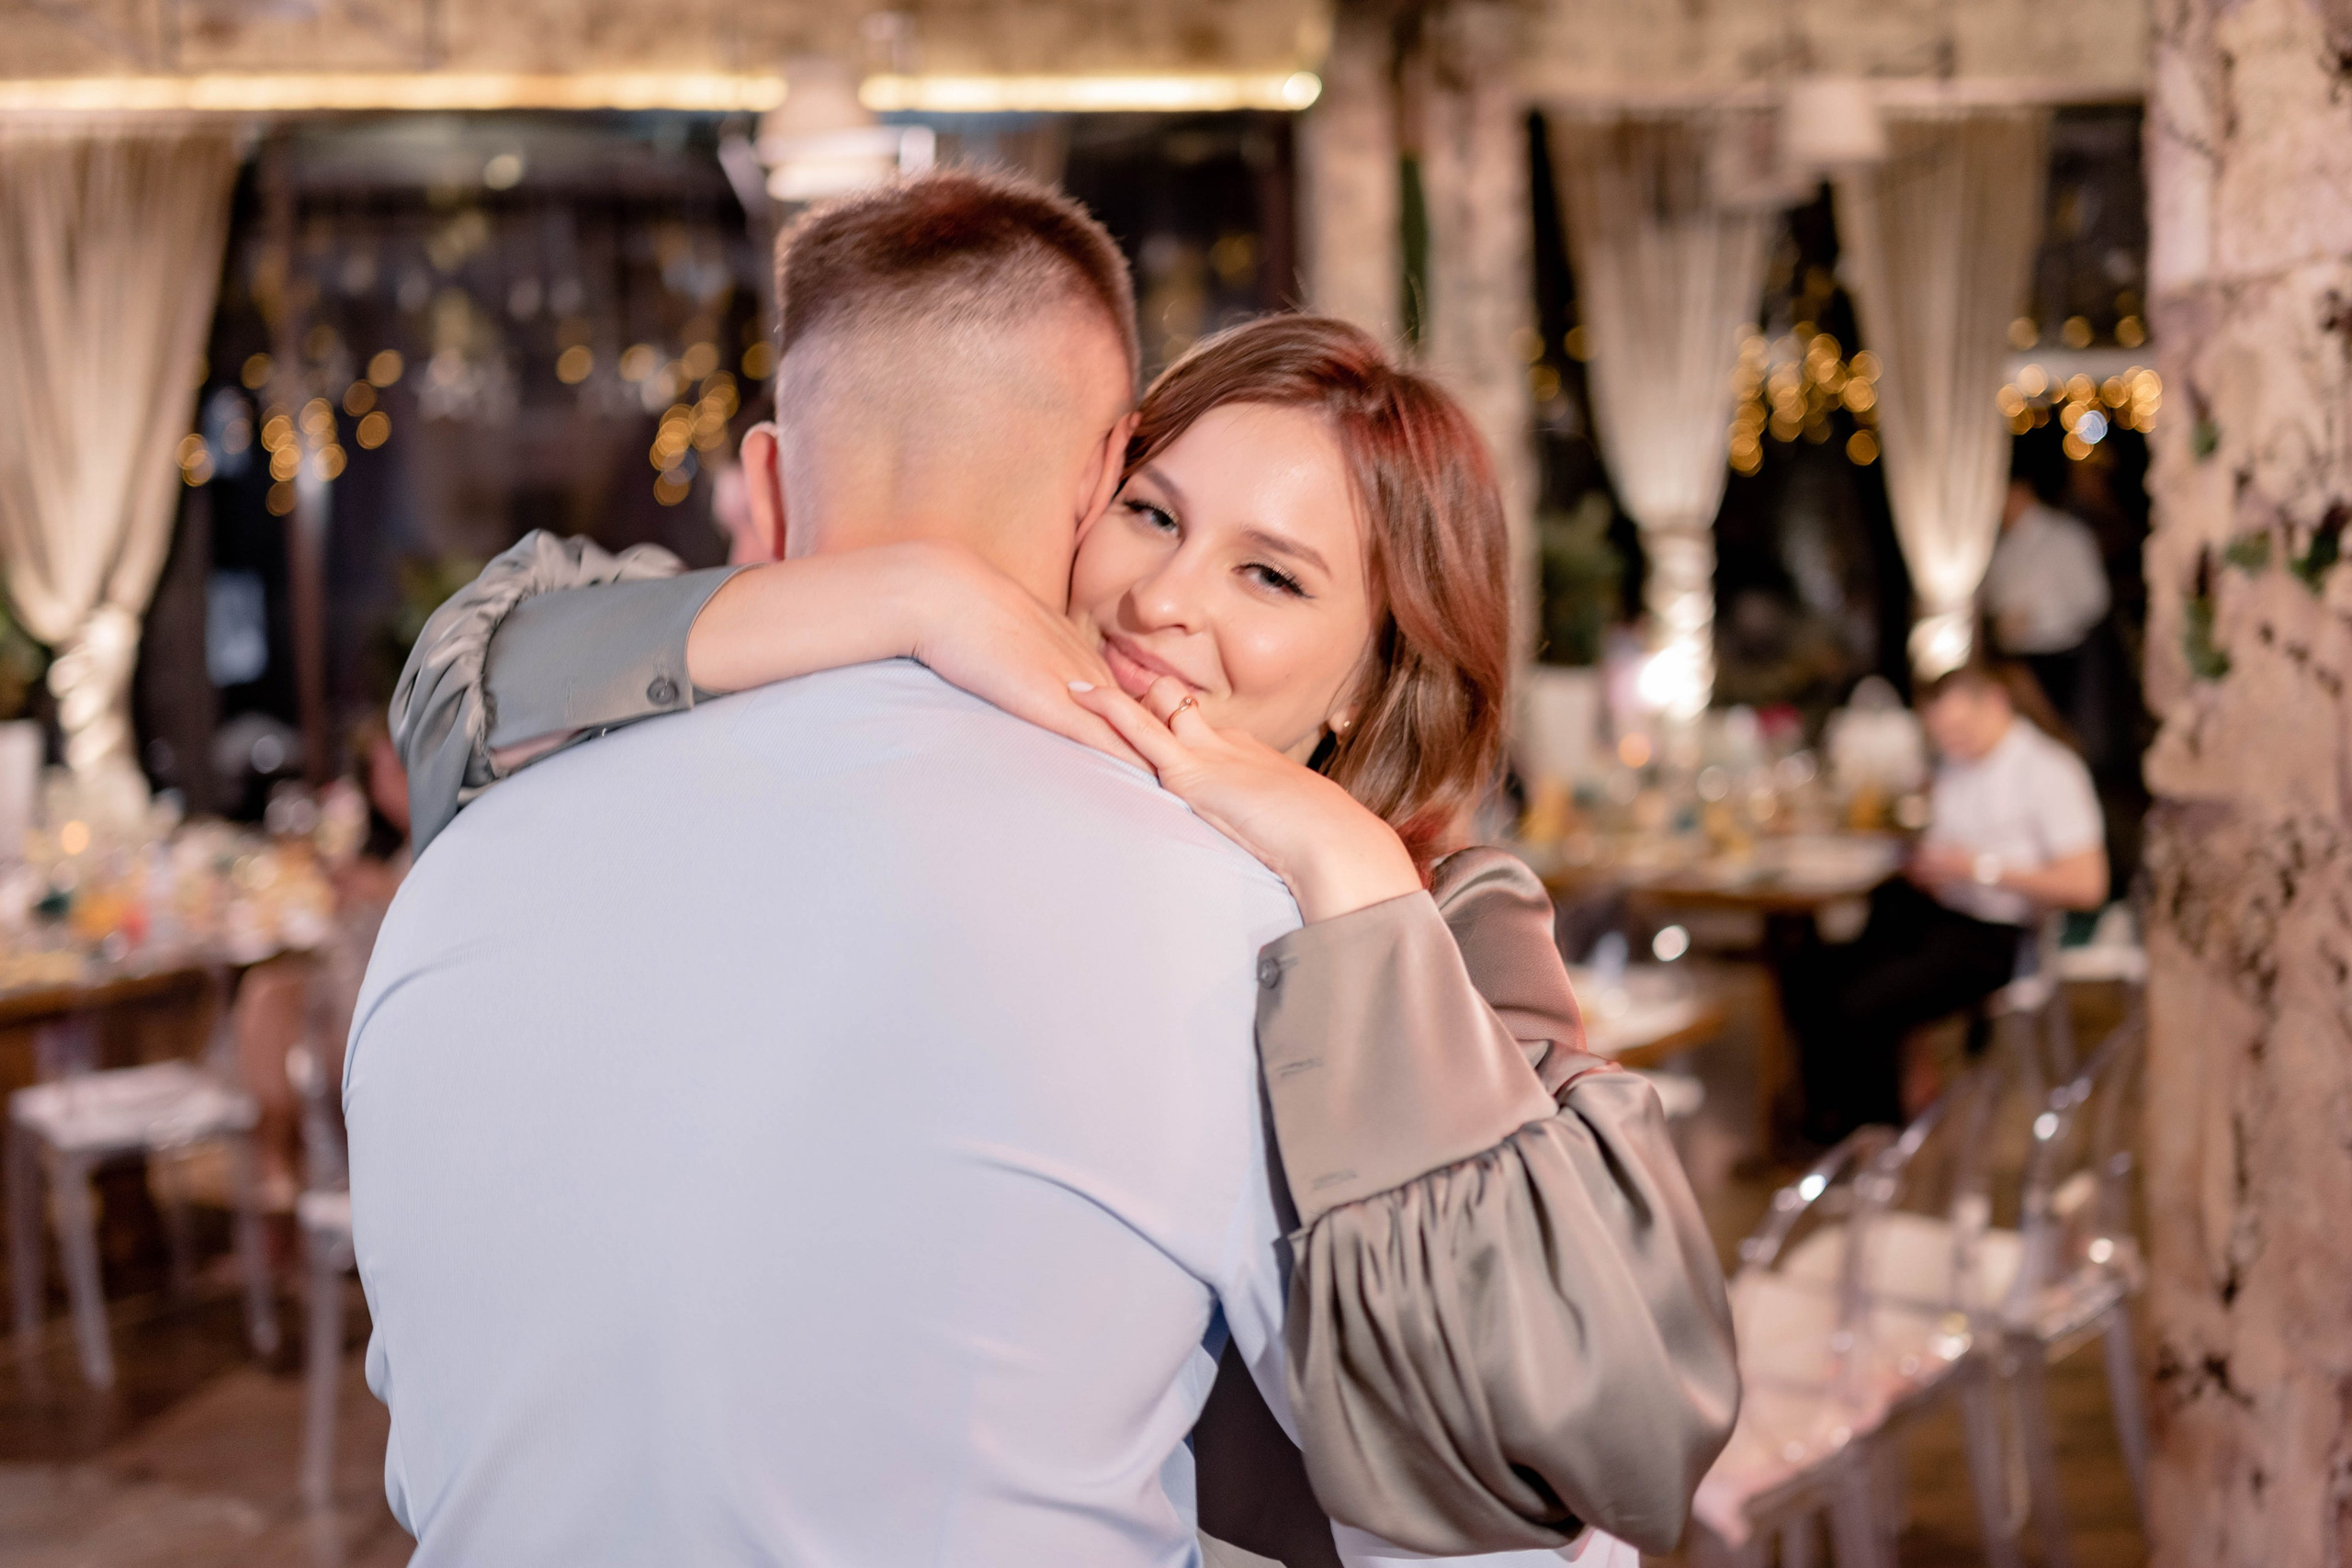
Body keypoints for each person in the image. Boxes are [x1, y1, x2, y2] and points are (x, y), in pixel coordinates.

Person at [357, 172, 1733, 1568]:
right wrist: (921, 592)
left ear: (1370, 683)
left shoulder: (1399, 930)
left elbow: (1564, 1463)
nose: (1165, 598)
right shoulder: (1183, 915)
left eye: (1275, 576)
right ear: (1090, 487)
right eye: (1151, 513)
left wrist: (1345, 855)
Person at [1789, 660, 2109, 1142]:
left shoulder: (2048, 770)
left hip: (1999, 933)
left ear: (1995, 704)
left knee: (1862, 1000)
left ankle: (1873, 1139)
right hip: (1939, 911)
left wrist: (1976, 868)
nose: (1951, 743)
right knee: (1811, 974)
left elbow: (2087, 886)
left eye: (1959, 729)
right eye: (1942, 734)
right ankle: (1830, 1118)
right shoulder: (1958, 766)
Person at [1980, 433, 2110, 728]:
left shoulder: (2066, 537)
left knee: (2061, 736)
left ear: (2019, 491)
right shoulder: (1998, 546)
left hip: (2061, 661)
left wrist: (2037, 618)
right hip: (2011, 660)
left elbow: (2095, 600)